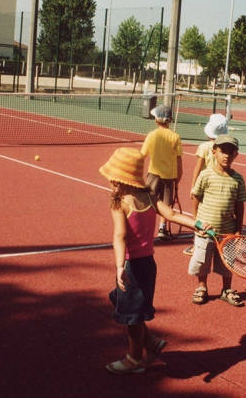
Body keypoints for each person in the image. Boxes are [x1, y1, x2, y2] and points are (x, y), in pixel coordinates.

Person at [100, 148, 211, 374]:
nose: (110, 182)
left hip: (131, 265)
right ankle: (150, 342)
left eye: (112, 178)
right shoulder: (150, 197)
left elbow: (119, 236)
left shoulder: (120, 201)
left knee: (132, 317)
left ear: (119, 180)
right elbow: (171, 215)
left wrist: (120, 265)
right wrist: (198, 224)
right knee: (125, 303)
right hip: (148, 264)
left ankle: (135, 359)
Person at [189, 135, 246, 307]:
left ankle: (227, 290)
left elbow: (240, 206)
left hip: (227, 232)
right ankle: (202, 287)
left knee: (227, 263)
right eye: (223, 151)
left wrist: (238, 231)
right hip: (205, 231)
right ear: (214, 152)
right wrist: (196, 222)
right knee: (202, 261)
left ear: (236, 154)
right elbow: (196, 197)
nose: (226, 156)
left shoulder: (238, 179)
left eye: (231, 152)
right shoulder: (205, 175)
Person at [183, 113, 229, 256]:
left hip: (203, 185)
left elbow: (198, 168)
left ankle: (197, 246)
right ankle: (219, 244)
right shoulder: (223, 147)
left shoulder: (204, 146)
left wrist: (193, 186)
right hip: (217, 184)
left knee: (198, 216)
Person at [141, 104, 183, 240]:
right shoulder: (175, 136)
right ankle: (162, 229)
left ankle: (144, 228)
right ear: (170, 121)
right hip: (170, 176)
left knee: (148, 201)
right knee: (166, 204)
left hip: (153, 174)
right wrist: (179, 175)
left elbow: (142, 155)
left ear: (156, 120)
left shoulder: (151, 135)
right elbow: (178, 159)